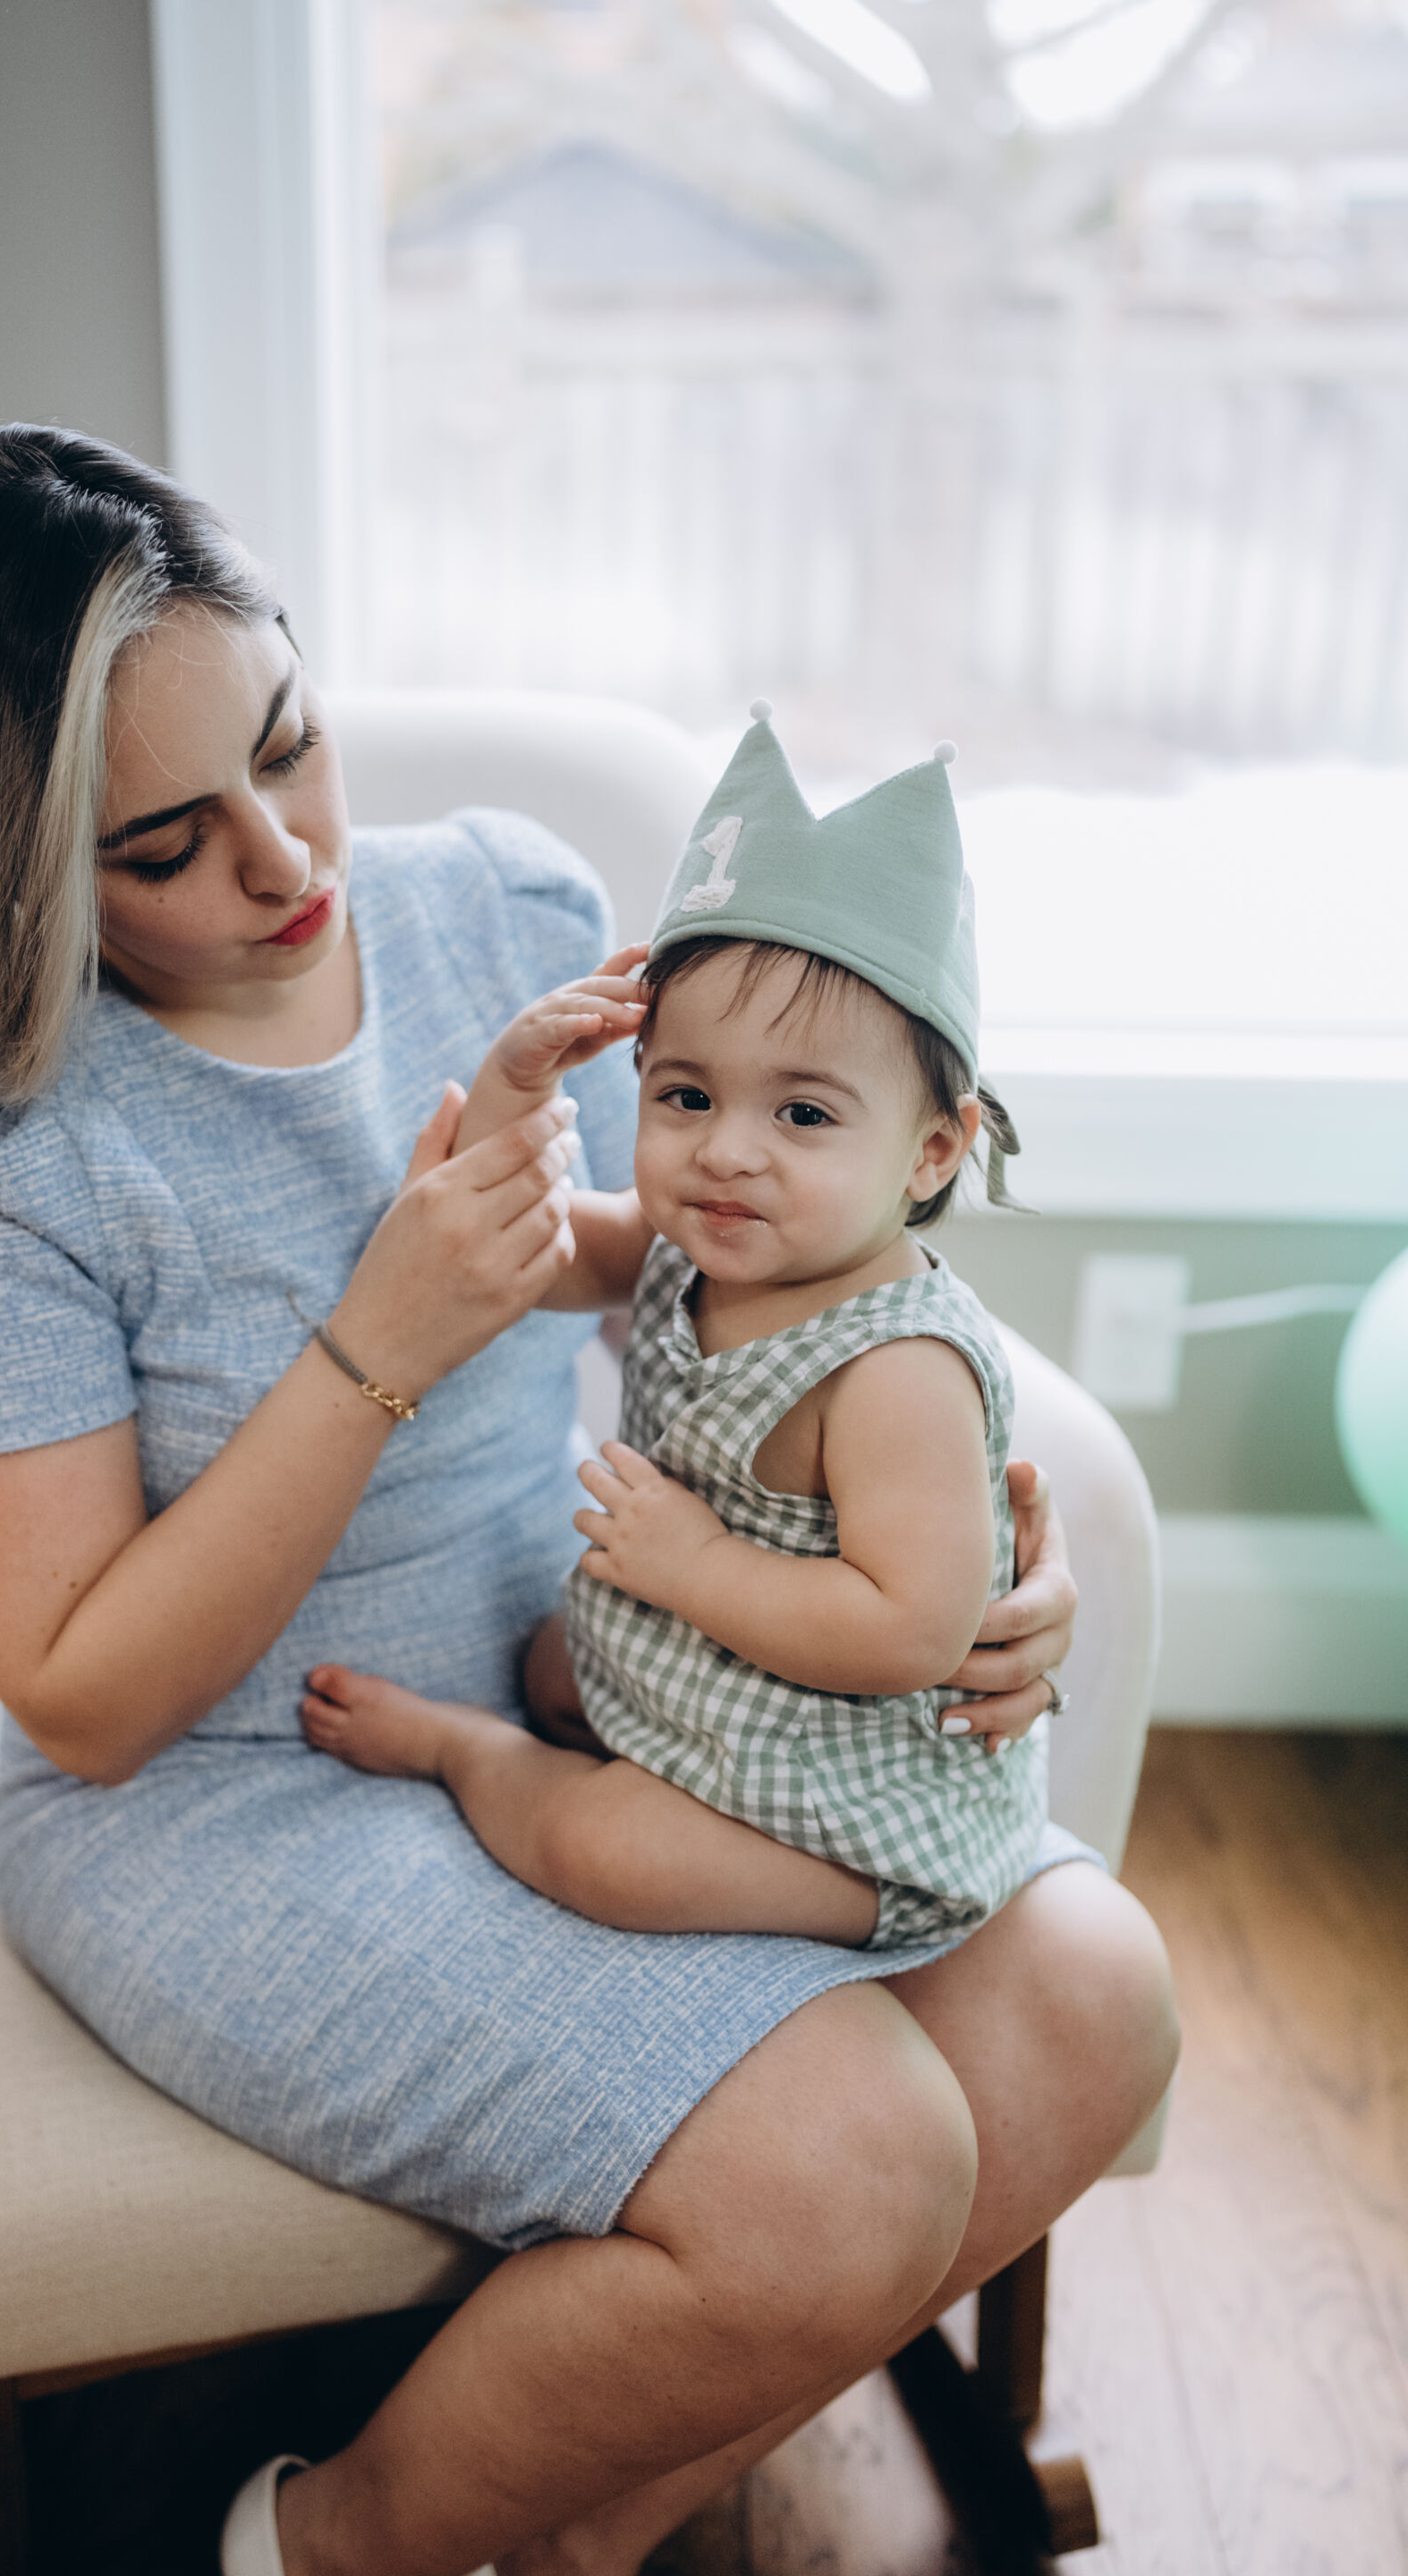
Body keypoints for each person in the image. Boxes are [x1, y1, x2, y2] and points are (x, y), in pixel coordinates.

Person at [0, 425, 1177, 2576]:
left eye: (290, 744)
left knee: (1094, 1992)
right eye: (164, 844)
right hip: (233, 1791)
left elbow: (768, 1276)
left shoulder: (503, 915)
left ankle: (585, 2521)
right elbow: (85, 1702)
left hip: (604, 1663)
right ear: (22, 878)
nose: (285, 859)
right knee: (849, 2161)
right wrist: (382, 1340)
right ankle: (327, 2545)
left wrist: (991, 1551)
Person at [302, 717, 1056, 1958]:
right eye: (687, 1095)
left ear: (932, 1151)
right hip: (705, 1658)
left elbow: (909, 1634)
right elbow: (519, 1246)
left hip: (848, 1784)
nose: (727, 1150)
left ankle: (464, 1753)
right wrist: (518, 1085)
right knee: (556, 1667)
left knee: (608, 1852)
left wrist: (695, 1565)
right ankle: (583, 1732)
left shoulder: (898, 1370)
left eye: (804, 1114)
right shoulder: (686, 1242)